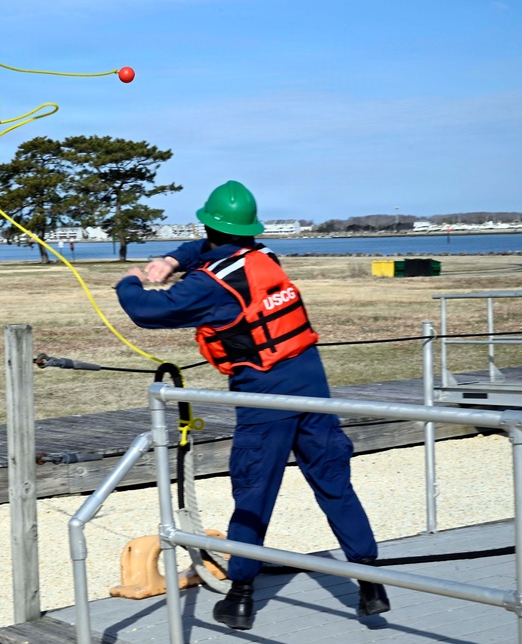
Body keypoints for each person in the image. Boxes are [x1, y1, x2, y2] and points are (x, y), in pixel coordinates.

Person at [115, 180, 389, 630]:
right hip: (313, 387)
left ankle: (241, 596)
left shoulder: (211, 286)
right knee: (335, 484)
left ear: (208, 224)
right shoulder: (263, 260)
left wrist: (131, 280)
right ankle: (370, 584)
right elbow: (205, 250)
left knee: (253, 492)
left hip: (264, 395)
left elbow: (148, 312)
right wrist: (171, 259)